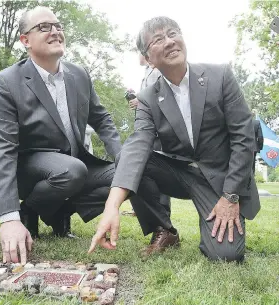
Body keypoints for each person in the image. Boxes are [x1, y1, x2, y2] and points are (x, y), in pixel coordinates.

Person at [89, 16, 260, 262]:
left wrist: (231, 197)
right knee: (128, 157)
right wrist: (112, 206)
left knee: (226, 256)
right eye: (158, 39)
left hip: (221, 181)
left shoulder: (220, 76)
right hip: (181, 173)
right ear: (148, 59)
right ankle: (164, 230)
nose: (169, 42)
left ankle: (213, 225)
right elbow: (138, 146)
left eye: (173, 33)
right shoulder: (148, 97)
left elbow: (244, 138)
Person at [0, 6, 122, 265]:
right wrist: (8, 217)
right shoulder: (6, 82)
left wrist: (124, 158)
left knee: (127, 174)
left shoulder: (79, 74)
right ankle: (26, 210)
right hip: (32, 169)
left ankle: (53, 210)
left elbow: (102, 119)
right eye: (44, 27)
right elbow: (0, 148)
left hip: (75, 165)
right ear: (25, 40)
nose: (55, 31)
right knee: (71, 170)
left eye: (58, 26)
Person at [127, 53, 172, 229]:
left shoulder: (157, 71)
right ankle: (158, 222)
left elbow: (161, 96)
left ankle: (164, 225)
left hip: (157, 132)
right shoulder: (147, 72)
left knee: (158, 175)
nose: (137, 56)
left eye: (138, 52)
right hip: (147, 130)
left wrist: (141, 100)